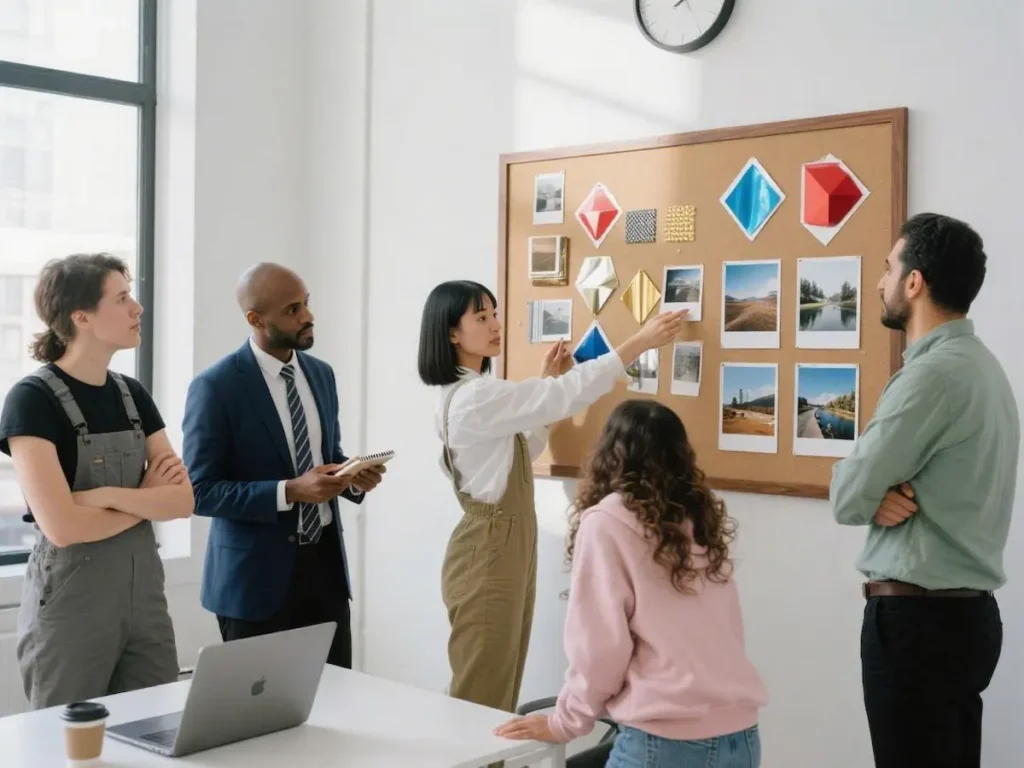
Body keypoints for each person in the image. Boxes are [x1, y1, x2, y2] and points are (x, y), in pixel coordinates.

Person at [417, 279, 688, 715]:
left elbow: (525, 443)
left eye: (495, 314)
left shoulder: (477, 395)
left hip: (502, 545)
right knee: (481, 694)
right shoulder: (473, 397)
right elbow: (561, 397)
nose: (495, 325)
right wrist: (638, 342)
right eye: (481, 317)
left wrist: (546, 383)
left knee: (499, 685)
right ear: (451, 333)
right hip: (489, 549)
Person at [830, 213, 1018, 768]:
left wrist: (867, 489)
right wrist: (874, 491)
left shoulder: (932, 376)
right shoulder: (984, 369)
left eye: (889, 268)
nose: (881, 281)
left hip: (918, 628)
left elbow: (847, 495)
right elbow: (870, 491)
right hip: (967, 621)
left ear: (915, 283)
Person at [494, 400, 767, 767]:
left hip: (666, 742)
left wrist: (564, 722)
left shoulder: (607, 522)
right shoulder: (697, 522)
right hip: (742, 739)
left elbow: (600, 650)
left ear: (609, 454)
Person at [0, 253, 192, 709]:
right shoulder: (31, 401)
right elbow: (63, 527)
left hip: (144, 599)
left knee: (158, 731)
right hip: (72, 606)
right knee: (67, 747)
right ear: (80, 316)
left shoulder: (133, 394)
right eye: (123, 298)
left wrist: (102, 496)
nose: (138, 308)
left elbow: (182, 501)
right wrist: (145, 498)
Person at [182, 263, 384, 669]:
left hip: (325, 572)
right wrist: (290, 491)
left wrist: (352, 478)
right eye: (293, 309)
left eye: (306, 303)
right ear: (255, 320)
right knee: (258, 721)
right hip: (254, 584)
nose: (308, 316)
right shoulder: (216, 387)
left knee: (337, 704)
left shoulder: (321, 375)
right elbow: (200, 491)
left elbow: (326, 457)